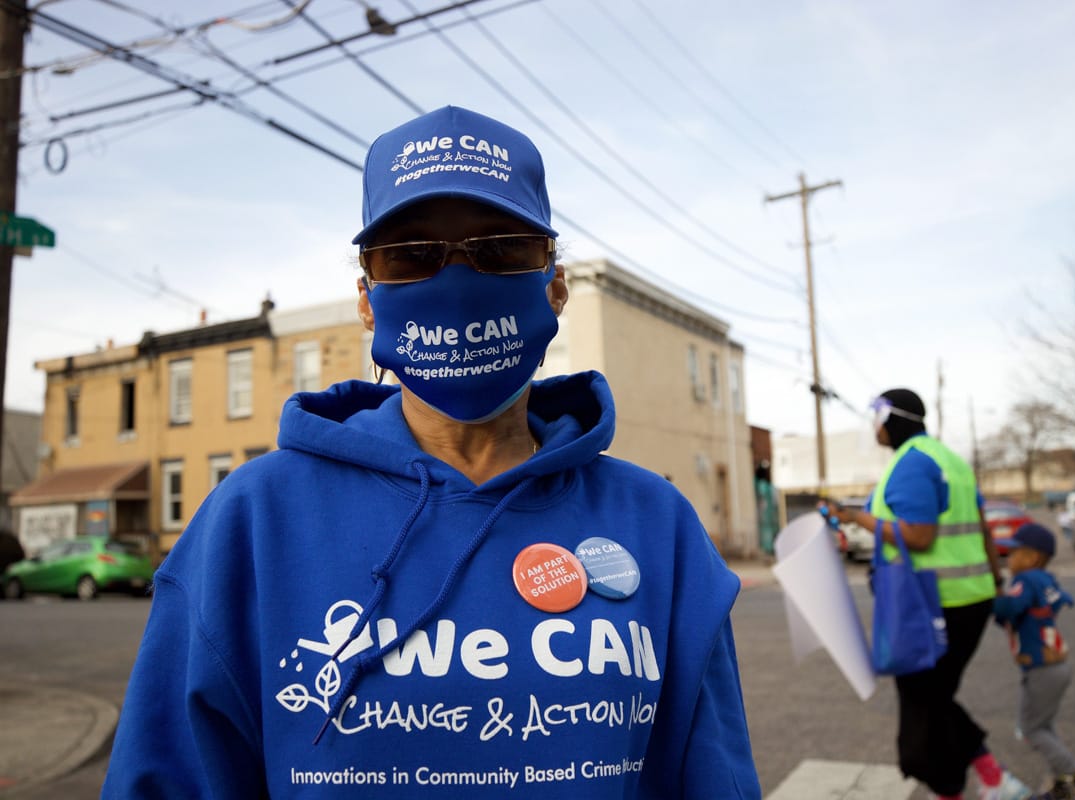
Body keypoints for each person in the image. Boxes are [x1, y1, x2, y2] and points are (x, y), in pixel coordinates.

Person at [102, 105, 761, 799]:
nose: (457, 281)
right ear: (366, 300)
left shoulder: (658, 525)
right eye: (411, 255)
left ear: (555, 287)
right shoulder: (253, 520)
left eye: (500, 248)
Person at [822, 388, 1029, 800]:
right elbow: (982, 528)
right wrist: (996, 582)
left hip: (934, 604)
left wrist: (857, 518)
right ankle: (988, 780)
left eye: (878, 417)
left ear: (894, 419)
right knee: (934, 699)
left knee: (924, 706)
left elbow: (919, 536)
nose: (875, 427)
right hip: (969, 599)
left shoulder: (913, 462)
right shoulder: (950, 460)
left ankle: (980, 783)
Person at [993, 524, 1075, 800]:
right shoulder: (1046, 580)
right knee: (1044, 726)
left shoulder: (1025, 580)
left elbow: (1009, 609)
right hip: (1055, 667)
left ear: (1032, 557)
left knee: (1031, 728)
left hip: (1041, 669)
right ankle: (1064, 784)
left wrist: (992, 595)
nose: (1009, 559)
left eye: (1014, 553)